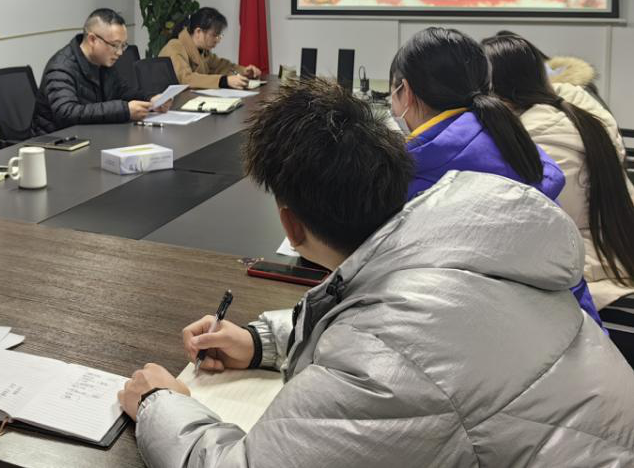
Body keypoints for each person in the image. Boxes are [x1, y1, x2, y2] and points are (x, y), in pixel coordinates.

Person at [119, 78, 634, 467]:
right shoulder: (454, 229)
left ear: (290, 225)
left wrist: (162, 403)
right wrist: (259, 341)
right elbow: (377, 303)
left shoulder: (384, 359)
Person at [388, 26, 600, 323]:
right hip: (575, 330)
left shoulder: (415, 170)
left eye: (392, 92)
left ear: (405, 92)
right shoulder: (514, 144)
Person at [484, 31, 634, 364]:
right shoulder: (575, 115)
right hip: (614, 262)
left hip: (590, 286)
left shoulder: (537, 139)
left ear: (496, 91)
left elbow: (528, 235)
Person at [31, 8, 160, 135]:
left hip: (91, 135)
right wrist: (124, 110)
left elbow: (122, 91)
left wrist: (150, 100)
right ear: (92, 39)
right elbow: (67, 113)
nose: (120, 52)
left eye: (123, 45)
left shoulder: (103, 61)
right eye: (115, 45)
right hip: (57, 141)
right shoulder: (61, 68)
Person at [157, 6, 262, 89]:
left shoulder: (203, 51)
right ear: (198, 32)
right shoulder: (175, 47)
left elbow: (222, 66)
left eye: (219, 36)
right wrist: (224, 81)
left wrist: (244, 71)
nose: (217, 40)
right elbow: (186, 79)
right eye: (214, 35)